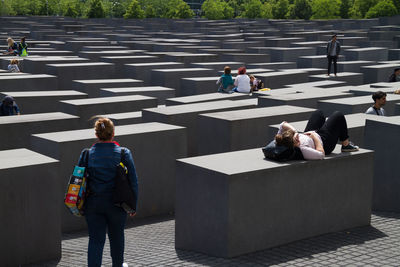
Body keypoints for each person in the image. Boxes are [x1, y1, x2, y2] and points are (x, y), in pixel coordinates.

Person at [77, 117, 138, 267]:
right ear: (113, 133)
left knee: (95, 241)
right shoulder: (123, 153)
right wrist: (133, 205)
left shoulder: (87, 154)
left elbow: (78, 180)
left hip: (93, 205)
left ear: (96, 134)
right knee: (117, 238)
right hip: (117, 205)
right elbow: (133, 182)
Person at [275, 110, 359, 160]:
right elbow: (321, 155)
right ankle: (345, 145)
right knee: (338, 115)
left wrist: (295, 132)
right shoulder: (303, 149)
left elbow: (282, 124)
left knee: (318, 113)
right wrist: (314, 137)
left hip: (311, 134)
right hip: (323, 142)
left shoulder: (283, 139)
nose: (298, 139)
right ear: (293, 146)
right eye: (297, 141)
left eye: (296, 138)